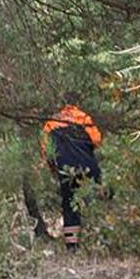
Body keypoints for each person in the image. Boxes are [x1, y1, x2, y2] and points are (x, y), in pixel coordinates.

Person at [40, 92, 103, 251]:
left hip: (65, 170)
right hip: (88, 166)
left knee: (69, 206)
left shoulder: (50, 124)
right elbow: (97, 140)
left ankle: (72, 246)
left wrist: (53, 169)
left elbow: (47, 152)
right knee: (95, 199)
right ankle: (99, 239)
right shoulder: (83, 118)